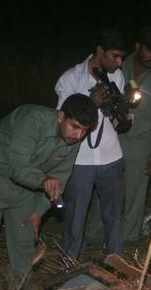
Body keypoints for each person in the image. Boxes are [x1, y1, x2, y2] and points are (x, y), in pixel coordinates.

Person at [0, 95, 98, 290]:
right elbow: (17, 167)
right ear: (60, 116)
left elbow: (60, 177)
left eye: (85, 130)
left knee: (24, 245)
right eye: (75, 127)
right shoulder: (32, 119)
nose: (79, 136)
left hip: (26, 189)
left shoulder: (73, 140)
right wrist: (44, 180)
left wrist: (38, 212)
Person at [55, 27, 128, 258]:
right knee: (75, 219)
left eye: (122, 57)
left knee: (114, 218)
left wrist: (117, 110)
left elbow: (119, 117)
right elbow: (62, 120)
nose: (119, 62)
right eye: (115, 56)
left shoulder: (117, 76)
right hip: (81, 159)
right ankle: (67, 266)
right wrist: (91, 102)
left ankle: (116, 266)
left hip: (111, 156)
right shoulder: (70, 78)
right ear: (100, 51)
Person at [116, 26, 151, 244]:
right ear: (138, 47)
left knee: (134, 195)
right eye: (149, 50)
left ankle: (128, 239)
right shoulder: (119, 66)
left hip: (140, 144)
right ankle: (97, 234)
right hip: (112, 140)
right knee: (107, 190)